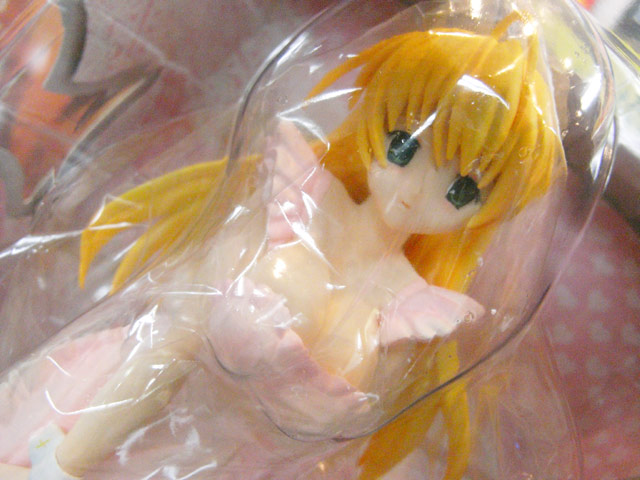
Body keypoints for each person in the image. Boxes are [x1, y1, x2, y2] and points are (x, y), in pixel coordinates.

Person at [0, 10, 563, 480]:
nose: (415, 192)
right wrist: (65, 464)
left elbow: (336, 437)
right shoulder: (300, 202)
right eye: (402, 146)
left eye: (462, 190)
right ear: (373, 118)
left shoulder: (412, 309)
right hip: (105, 421)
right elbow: (172, 338)